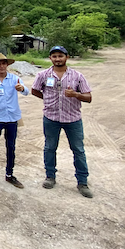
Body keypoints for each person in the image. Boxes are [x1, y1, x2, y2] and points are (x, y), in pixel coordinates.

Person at [32, 45, 93, 198]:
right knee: (50, 148)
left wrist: (76, 95)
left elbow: (88, 97)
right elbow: (35, 90)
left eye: (60, 56)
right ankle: (50, 176)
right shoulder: (43, 75)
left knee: (78, 150)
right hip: (51, 118)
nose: (57, 59)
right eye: (54, 56)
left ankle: (82, 182)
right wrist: (48, 100)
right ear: (50, 58)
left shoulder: (77, 76)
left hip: (73, 119)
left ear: (67, 57)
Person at [0, 52, 29, 188]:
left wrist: (22, 88)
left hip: (12, 118)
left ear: (7, 65)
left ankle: (9, 174)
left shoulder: (15, 79)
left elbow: (26, 92)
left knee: (11, 146)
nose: (1, 66)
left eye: (3, 63)